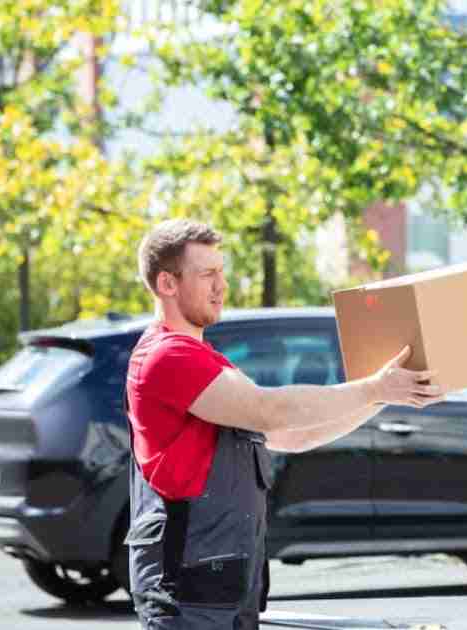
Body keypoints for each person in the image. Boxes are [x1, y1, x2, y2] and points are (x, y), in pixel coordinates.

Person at [124, 218, 444, 628]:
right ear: (167, 283)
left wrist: (386, 394)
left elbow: (291, 435)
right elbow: (269, 410)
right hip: (188, 589)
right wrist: (371, 387)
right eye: (207, 274)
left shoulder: (206, 361)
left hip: (222, 584)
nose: (221, 286)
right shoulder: (166, 356)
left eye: (222, 272)